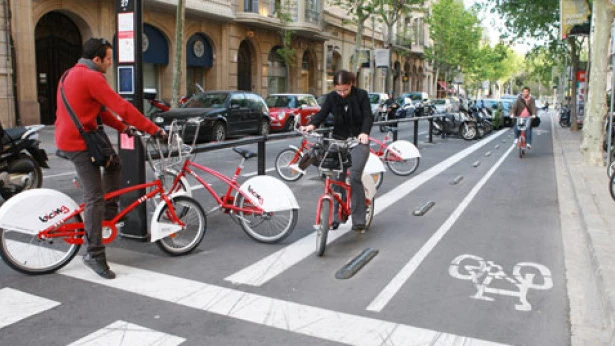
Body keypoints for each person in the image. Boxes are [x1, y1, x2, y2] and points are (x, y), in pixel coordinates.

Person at [55, 38, 164, 279]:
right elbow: (121, 107)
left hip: (77, 136)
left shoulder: (68, 75)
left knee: (114, 164)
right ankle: (93, 253)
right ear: (97, 59)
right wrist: (152, 129)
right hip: (80, 143)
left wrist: (124, 128)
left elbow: (102, 110)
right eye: (108, 59)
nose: (109, 64)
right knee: (94, 196)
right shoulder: (92, 77)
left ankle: (107, 216)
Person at [299, 70, 373, 233]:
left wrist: (364, 133)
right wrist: (311, 126)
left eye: (345, 90)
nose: (342, 94)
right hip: (338, 141)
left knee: (354, 176)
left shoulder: (361, 95)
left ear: (351, 84)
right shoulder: (332, 97)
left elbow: (368, 116)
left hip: (358, 141)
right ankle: (336, 216)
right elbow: (322, 114)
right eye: (339, 90)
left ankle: (359, 219)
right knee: (335, 177)